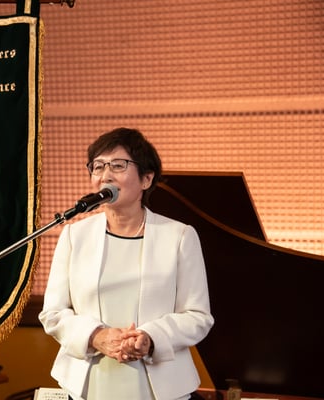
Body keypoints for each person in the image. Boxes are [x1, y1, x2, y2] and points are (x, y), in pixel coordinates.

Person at [38, 127, 214, 400]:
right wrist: (96, 336)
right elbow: (53, 313)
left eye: (118, 165)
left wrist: (150, 338)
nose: (105, 175)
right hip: (87, 385)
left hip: (162, 388)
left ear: (146, 179)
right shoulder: (74, 235)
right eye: (98, 166)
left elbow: (197, 316)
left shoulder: (179, 236)